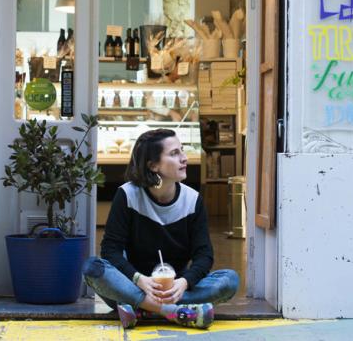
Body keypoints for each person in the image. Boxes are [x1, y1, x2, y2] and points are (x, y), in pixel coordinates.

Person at [83, 129, 239, 329]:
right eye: (174, 153)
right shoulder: (128, 195)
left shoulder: (192, 200)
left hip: (174, 287)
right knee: (92, 268)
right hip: (134, 283)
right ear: (153, 165)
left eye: (182, 151)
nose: (184, 158)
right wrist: (139, 279)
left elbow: (204, 254)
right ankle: (173, 311)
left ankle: (141, 309)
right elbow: (111, 250)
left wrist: (183, 283)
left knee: (230, 281)